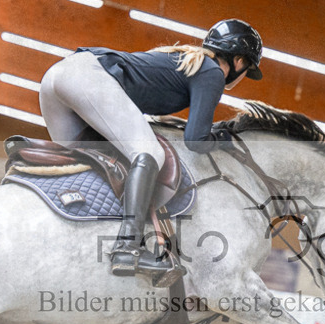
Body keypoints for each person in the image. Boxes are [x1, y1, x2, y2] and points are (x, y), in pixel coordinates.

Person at [39, 19, 264, 279]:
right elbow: (196, 139)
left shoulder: (189, 60)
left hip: (57, 78)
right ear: (238, 60)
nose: (245, 74)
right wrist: (225, 140)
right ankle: (127, 248)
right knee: (150, 154)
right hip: (85, 77)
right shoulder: (211, 71)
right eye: (247, 67)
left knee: (95, 162)